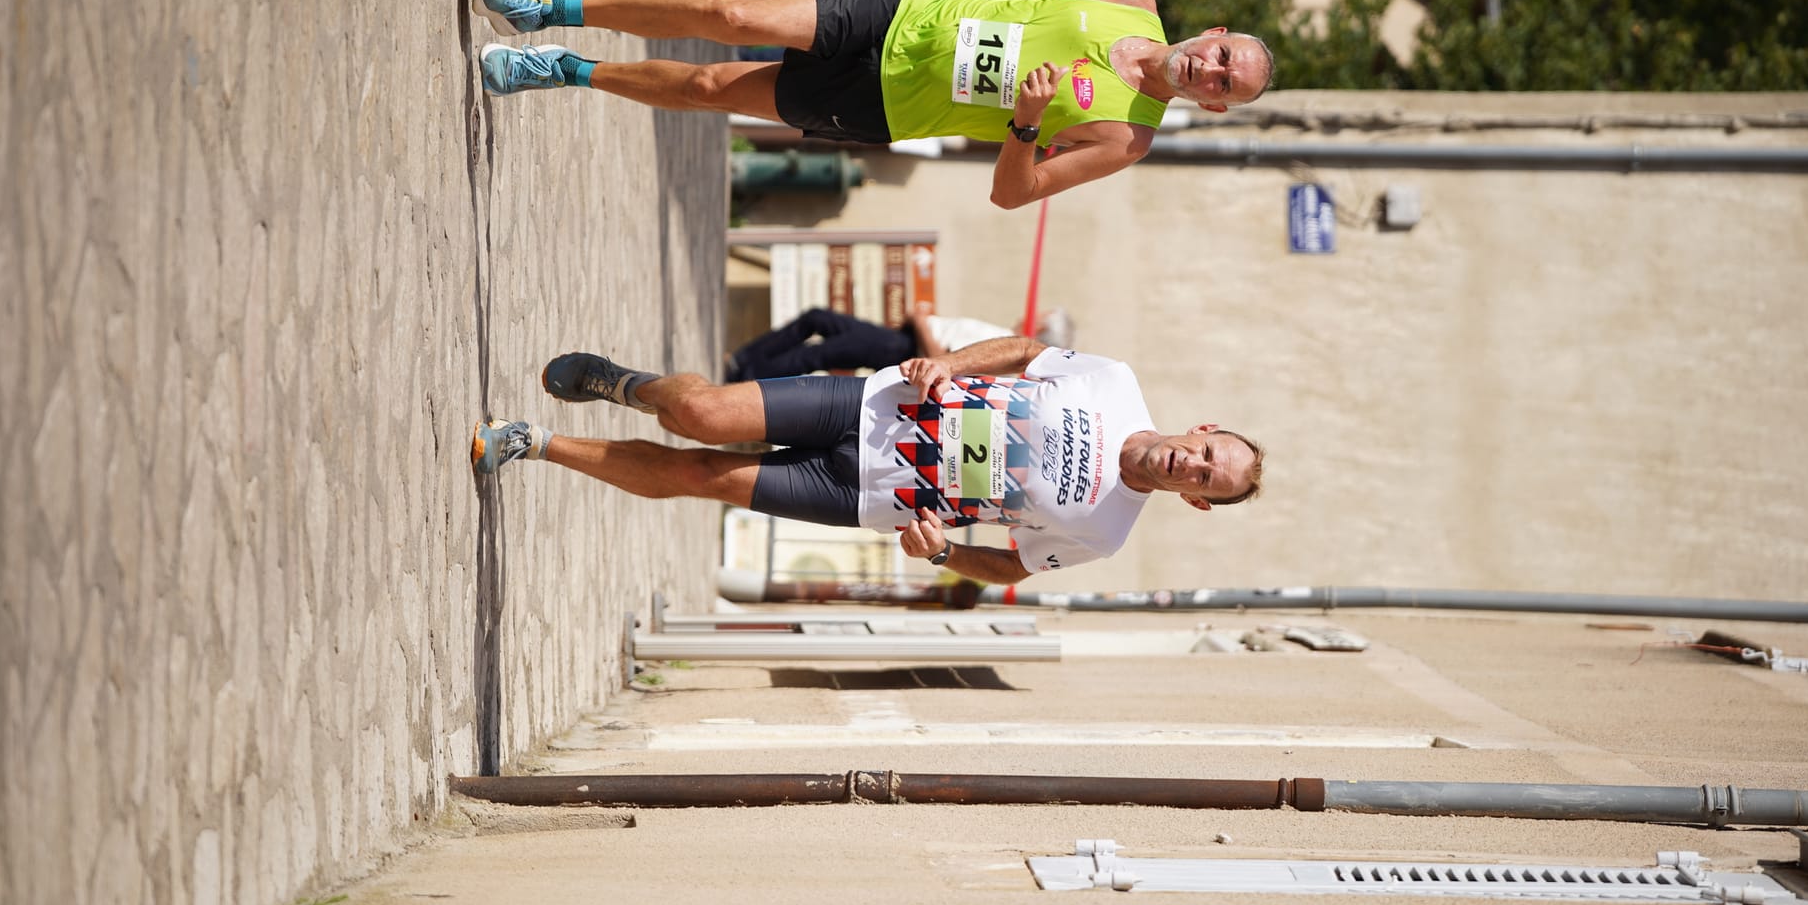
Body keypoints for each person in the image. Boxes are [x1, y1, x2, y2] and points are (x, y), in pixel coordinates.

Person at [468, 0, 1275, 208]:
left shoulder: (1127, 138)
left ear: (1214, 109)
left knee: (710, 88)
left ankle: (563, 71)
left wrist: (1027, 125)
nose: (1210, 70)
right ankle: (550, 8)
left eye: (1222, 84)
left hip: (888, 103)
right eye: (1222, 56)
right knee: (733, 16)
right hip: (906, 14)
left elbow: (1013, 192)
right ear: (1214, 31)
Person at [470, 336, 1265, 585]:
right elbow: (1026, 348)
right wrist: (949, 360)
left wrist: (946, 553)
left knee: (698, 476)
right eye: (1205, 451)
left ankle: (534, 444)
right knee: (698, 411)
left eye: (1205, 478)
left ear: (1195, 500)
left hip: (863, 493)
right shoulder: (1113, 381)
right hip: (878, 404)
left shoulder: (1106, 532)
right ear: (1200, 427)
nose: (1190, 464)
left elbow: (1013, 567)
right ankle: (627, 384)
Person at [725, 305, 1074, 382]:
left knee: (820, 353)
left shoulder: (1004, 352)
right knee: (817, 320)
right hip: (902, 340)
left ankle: (746, 374)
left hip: (905, 351)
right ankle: (745, 362)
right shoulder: (1004, 337)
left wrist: (921, 321)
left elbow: (946, 362)